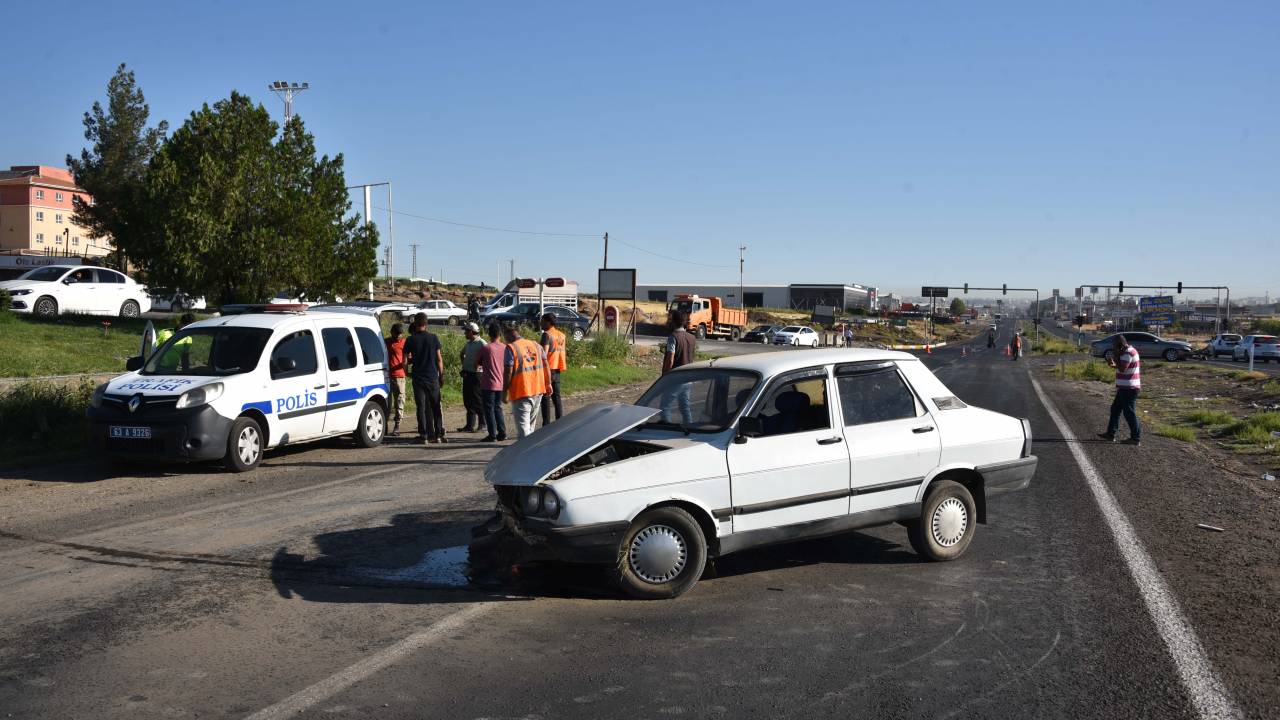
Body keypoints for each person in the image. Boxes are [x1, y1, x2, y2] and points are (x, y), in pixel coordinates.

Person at [503, 323, 551, 438]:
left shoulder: (511, 347)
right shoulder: (535, 345)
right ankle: (531, 450)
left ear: (507, 335)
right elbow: (546, 365)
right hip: (538, 389)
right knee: (530, 426)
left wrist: (504, 391)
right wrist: (548, 383)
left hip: (522, 391)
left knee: (524, 429)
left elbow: (508, 372)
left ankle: (525, 453)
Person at [404, 313, 445, 443]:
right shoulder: (433, 338)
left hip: (418, 378)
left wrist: (406, 372)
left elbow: (404, 360)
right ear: (426, 324)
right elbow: (439, 359)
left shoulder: (410, 340)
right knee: (436, 406)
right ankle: (438, 434)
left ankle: (424, 435)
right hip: (433, 377)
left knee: (420, 407)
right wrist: (441, 375)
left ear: (415, 324)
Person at [1099, 334, 1142, 445]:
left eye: (1115, 345)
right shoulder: (1127, 351)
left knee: (1129, 413)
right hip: (1124, 387)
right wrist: (1115, 361)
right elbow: (1121, 366)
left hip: (1129, 388)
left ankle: (1135, 438)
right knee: (1115, 410)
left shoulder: (1128, 352)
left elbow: (1123, 369)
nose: (1114, 348)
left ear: (1120, 344)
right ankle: (1110, 433)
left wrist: (1114, 364)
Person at [661, 310, 697, 425]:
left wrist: (664, 377)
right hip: (689, 378)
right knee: (684, 406)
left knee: (665, 405)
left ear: (674, 322)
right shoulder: (692, 338)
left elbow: (670, 359)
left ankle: (667, 429)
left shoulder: (673, 337)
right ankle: (689, 428)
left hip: (676, 378)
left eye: (670, 319)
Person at [477, 323, 508, 442]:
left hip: (488, 383)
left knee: (489, 409)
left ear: (489, 334)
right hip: (501, 383)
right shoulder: (505, 348)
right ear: (500, 334)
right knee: (498, 408)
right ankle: (502, 432)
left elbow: (477, 362)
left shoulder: (486, 348)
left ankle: (492, 434)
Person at [458, 322, 486, 433]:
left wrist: (481, 366)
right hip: (467, 373)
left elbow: (488, 357)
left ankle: (482, 423)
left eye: (466, 331)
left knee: (478, 399)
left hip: (477, 375)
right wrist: (464, 365)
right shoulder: (469, 343)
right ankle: (470, 425)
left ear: (471, 331)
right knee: (468, 400)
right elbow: (462, 353)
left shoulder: (482, 343)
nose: (465, 333)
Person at [539, 313, 566, 426]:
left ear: (548, 322)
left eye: (542, 321)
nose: (540, 323)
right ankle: (560, 423)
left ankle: (546, 425)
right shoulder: (561, 335)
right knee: (557, 397)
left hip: (547, 369)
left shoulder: (547, 335)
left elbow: (544, 354)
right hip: (557, 368)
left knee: (545, 397)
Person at [384, 323, 407, 435]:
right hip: (386, 376)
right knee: (386, 401)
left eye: (400, 334)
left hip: (399, 376)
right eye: (396, 333)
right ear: (391, 332)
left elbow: (408, 359)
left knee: (399, 401)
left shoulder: (404, 343)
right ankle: (385, 425)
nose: (398, 336)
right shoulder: (385, 342)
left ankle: (397, 424)